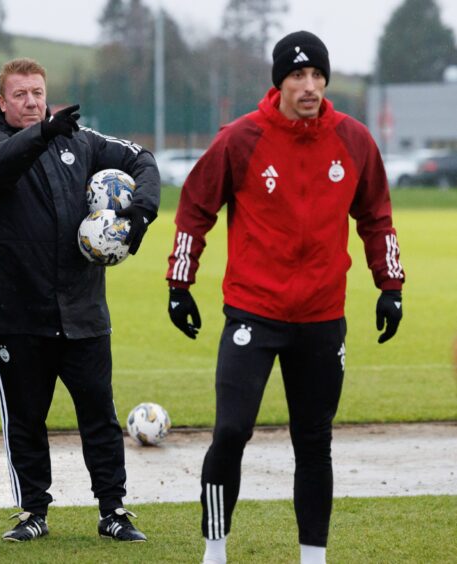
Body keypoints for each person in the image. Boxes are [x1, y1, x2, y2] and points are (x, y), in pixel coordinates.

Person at [165, 32, 405, 564]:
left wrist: (390, 286)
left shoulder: (355, 141)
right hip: (254, 310)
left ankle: (313, 558)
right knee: (230, 430)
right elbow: (195, 207)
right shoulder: (241, 139)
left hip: (322, 316)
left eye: (317, 75)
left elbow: (377, 217)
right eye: (298, 76)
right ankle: (214, 550)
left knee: (314, 443)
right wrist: (180, 284)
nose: (310, 86)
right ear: (279, 83)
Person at [0, 58, 160, 543]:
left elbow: (143, 161)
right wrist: (44, 134)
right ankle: (33, 512)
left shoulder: (82, 140)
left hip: (82, 312)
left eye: (37, 92)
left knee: (100, 416)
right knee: (26, 420)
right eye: (21, 94)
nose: (31, 101)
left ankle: (113, 510)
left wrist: (138, 216)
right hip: (15, 316)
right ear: (2, 101)